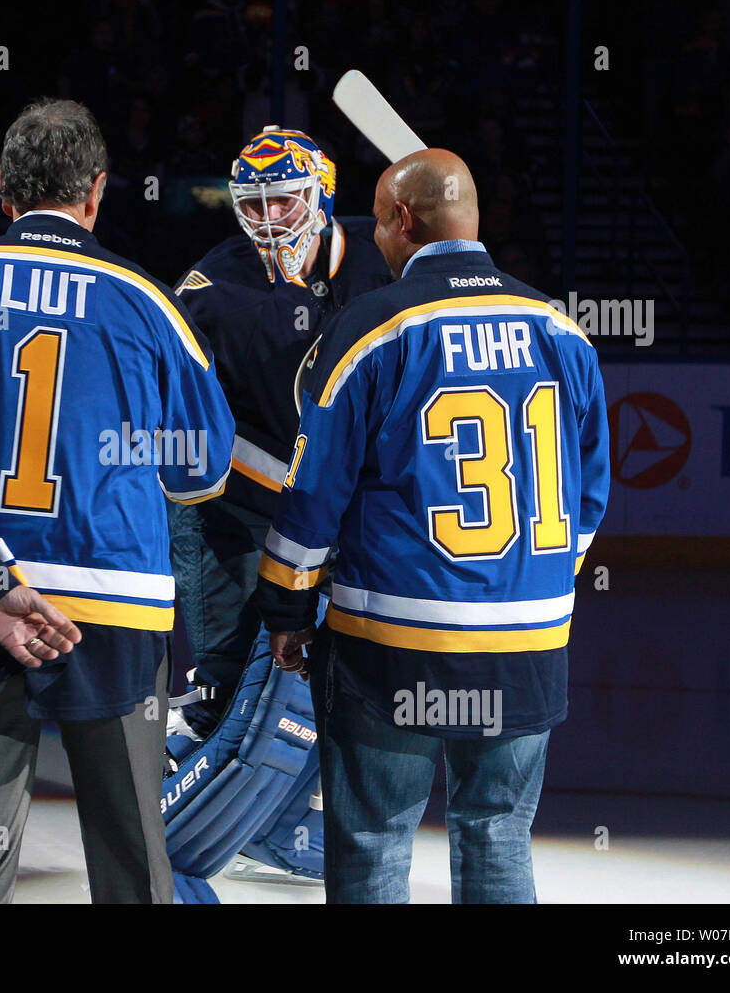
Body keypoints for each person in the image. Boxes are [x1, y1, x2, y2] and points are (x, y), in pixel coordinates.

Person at [0, 98, 234, 904]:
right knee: (134, 859)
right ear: (95, 193)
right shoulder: (150, 304)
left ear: (2, 190)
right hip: (119, 609)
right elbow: (202, 468)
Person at [255, 148, 610, 903]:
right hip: (529, 643)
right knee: (498, 833)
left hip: (397, 644)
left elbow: (313, 491)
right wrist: (535, 589)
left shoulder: (375, 328)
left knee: (377, 838)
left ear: (401, 220)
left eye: (380, 223)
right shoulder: (563, 330)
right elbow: (590, 498)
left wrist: (286, 607)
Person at [169, 126, 392, 728]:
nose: (268, 219)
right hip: (245, 509)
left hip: (351, 505)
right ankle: (197, 754)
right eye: (252, 204)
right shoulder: (210, 291)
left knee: (362, 680)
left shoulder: (386, 259)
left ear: (321, 192)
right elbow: (181, 417)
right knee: (226, 681)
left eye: (284, 199)